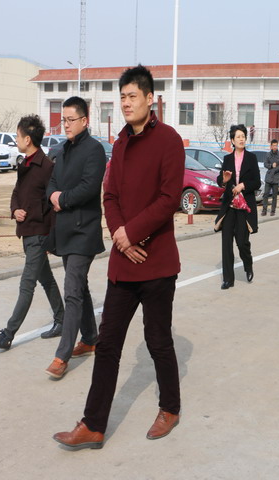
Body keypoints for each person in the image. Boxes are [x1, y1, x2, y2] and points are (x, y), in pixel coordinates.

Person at [53, 65, 185, 449]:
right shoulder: (121, 143)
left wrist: (133, 232)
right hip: (123, 263)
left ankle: (170, 407)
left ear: (149, 98)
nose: (126, 103)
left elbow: (169, 199)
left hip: (157, 263)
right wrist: (120, 236)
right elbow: (109, 195)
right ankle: (93, 424)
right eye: (122, 97)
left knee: (158, 340)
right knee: (108, 344)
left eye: (132, 96)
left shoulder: (169, 141)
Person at [0, 115, 64, 350]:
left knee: (27, 283)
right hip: (27, 231)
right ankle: (62, 319)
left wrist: (51, 238)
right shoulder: (25, 163)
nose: (16, 140)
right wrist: (15, 210)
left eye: (18, 136)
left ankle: (8, 334)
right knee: (46, 279)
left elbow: (54, 206)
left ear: (28, 139)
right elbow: (16, 193)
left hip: (39, 234)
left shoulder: (47, 167)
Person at [44, 96, 107, 379]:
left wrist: (62, 199)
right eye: (63, 120)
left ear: (84, 120)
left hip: (84, 231)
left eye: (70, 120)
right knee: (80, 286)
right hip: (65, 230)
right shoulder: (63, 149)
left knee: (71, 290)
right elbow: (52, 182)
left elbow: (90, 187)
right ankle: (91, 338)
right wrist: (53, 196)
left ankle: (62, 356)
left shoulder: (94, 150)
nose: (66, 125)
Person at [215, 124, 261, 289]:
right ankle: (228, 279)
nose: (241, 139)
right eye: (238, 137)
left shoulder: (251, 158)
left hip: (244, 207)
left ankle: (248, 264)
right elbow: (220, 180)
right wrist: (224, 180)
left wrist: (243, 185)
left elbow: (257, 182)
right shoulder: (227, 159)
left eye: (243, 136)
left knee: (242, 242)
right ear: (233, 141)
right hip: (229, 206)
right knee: (226, 242)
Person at [261, 139, 279, 216]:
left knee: (274, 195)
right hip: (268, 177)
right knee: (266, 194)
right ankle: (264, 210)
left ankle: (273, 210)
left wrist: (275, 169)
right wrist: (271, 166)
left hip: (276, 178)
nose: (275, 147)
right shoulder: (268, 154)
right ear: (271, 146)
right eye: (273, 145)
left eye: (276, 145)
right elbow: (265, 164)